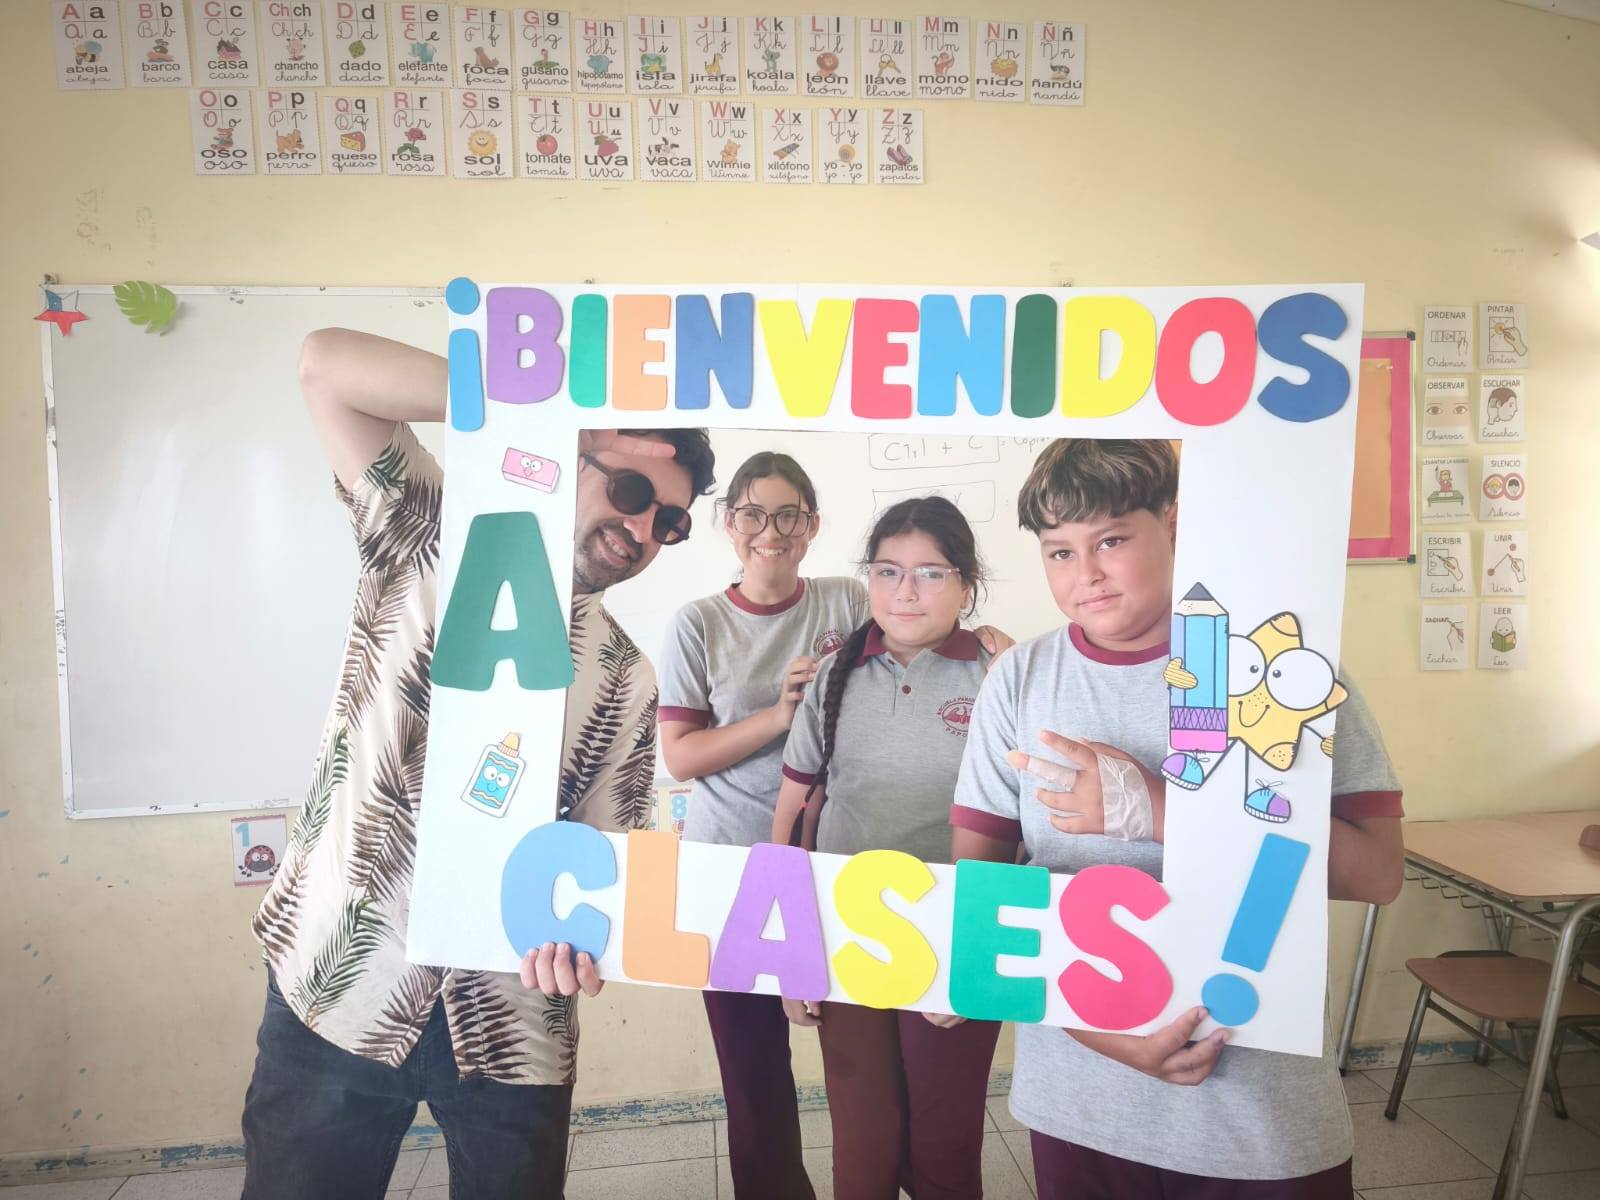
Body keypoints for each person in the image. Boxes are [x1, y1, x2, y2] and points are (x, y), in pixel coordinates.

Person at [242, 328, 715, 1199]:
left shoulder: (625, 677)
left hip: (513, 1027)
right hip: (340, 986)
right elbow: (324, 366)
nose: (642, 527)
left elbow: (600, 862)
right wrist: (543, 417)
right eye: (632, 487)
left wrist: (586, 939)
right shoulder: (429, 537)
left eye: (669, 521)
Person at [949, 439, 1404, 1200]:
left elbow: (1378, 874)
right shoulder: (1020, 681)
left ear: (1176, 521)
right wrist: (1103, 1035)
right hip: (1081, 1095)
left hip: (1257, 1106)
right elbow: (981, 898)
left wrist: (1159, 809)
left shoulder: (1279, 662)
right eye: (1059, 551)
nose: (1084, 573)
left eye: (1111, 540)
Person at [771, 496, 1003, 1200]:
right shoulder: (837, 674)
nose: (906, 591)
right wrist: (789, 954)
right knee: (863, 1141)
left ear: (967, 584)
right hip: (849, 936)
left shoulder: (998, 674)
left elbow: (1024, 828)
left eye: (931, 573)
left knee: (945, 1139)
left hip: (958, 937)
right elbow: (790, 812)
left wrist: (977, 957)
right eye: (888, 570)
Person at [657, 451, 866, 1200]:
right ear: (727, 523)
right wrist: (778, 716)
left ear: (811, 526)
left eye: (787, 515)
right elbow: (680, 757)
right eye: (752, 513)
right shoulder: (698, 624)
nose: (768, 532)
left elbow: (924, 635)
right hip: (728, 871)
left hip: (832, 862)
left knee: (857, 1059)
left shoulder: (847, 602)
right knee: (753, 1078)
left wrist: (989, 644)